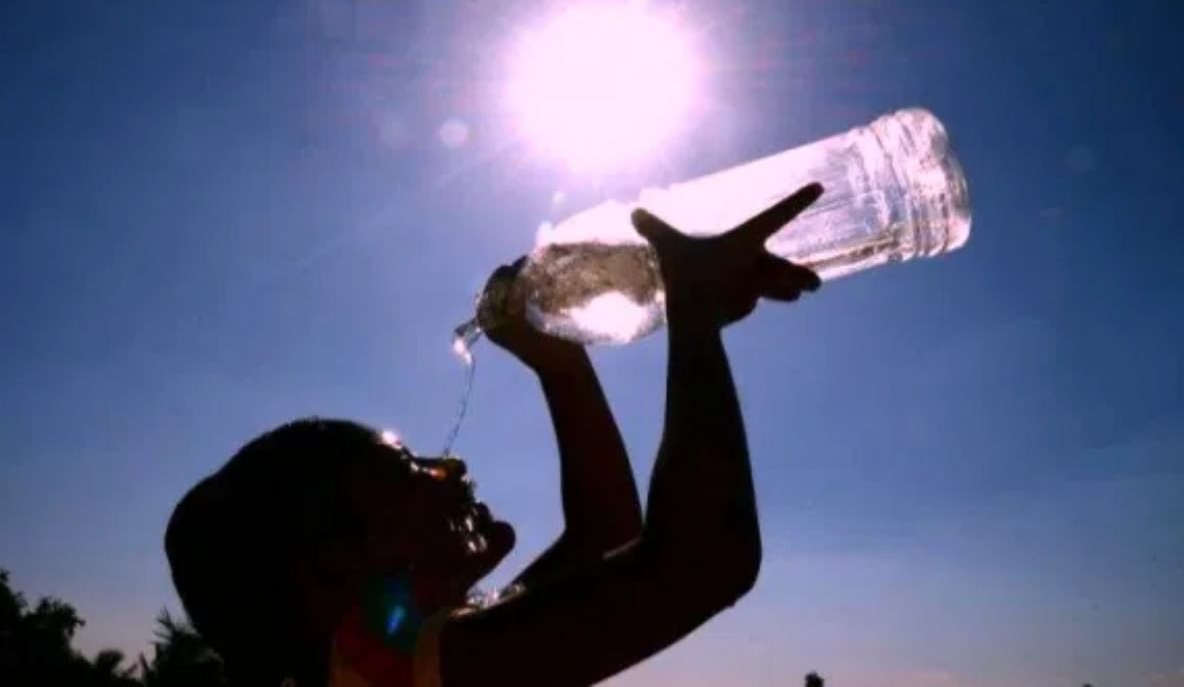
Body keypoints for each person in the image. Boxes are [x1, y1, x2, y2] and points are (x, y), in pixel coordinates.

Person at [165, 184, 825, 687]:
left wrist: (559, 363)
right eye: (405, 470)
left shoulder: (412, 661)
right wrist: (693, 307)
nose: (448, 468)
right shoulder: (389, 674)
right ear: (332, 569)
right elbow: (701, 564)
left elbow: (609, 537)